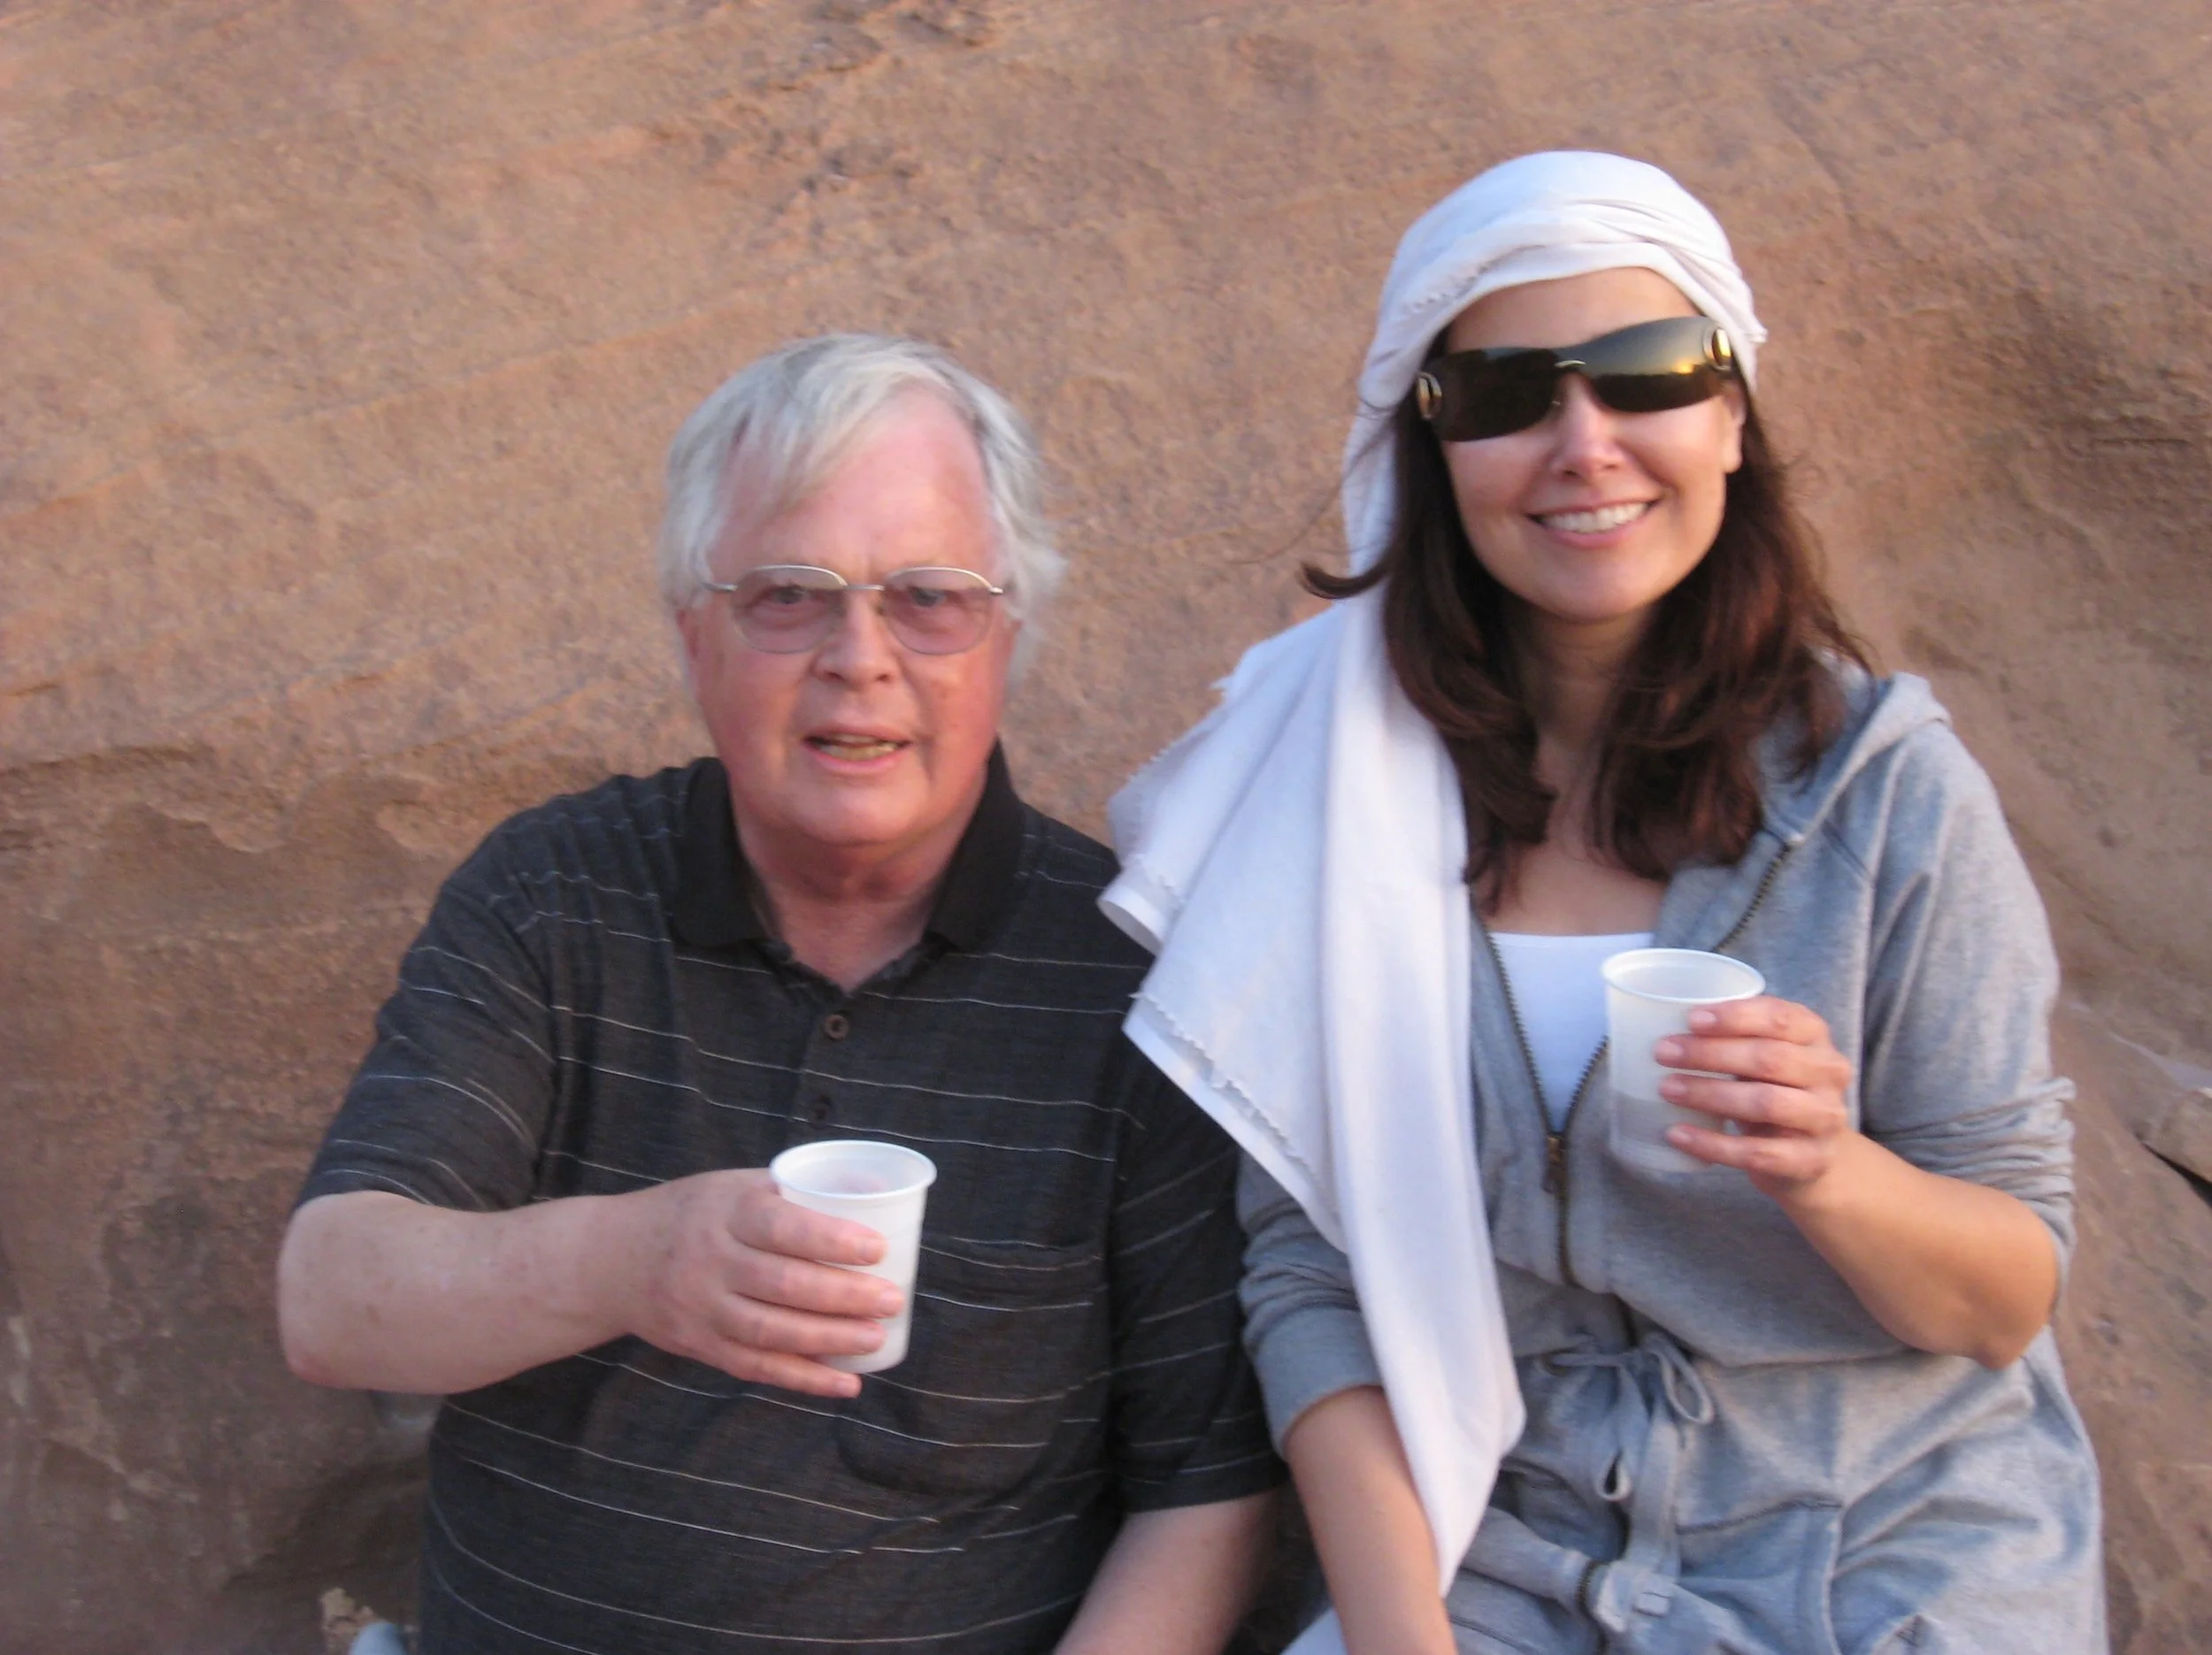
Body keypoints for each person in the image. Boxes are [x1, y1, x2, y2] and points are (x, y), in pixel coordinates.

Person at [1101, 153, 2105, 1654]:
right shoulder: (1338, 788)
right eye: (1506, 393)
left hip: (1886, 1546)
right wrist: (1403, 1637)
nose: (1585, 443)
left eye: (1647, 374)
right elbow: (1311, 1278)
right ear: (1433, 443)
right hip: (1508, 1551)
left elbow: (2001, 1298)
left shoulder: (1886, 794)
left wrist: (1824, 1166)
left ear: (1732, 414)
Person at [278, 333, 1280, 1655]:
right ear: (694, 634)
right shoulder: (553, 896)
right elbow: (333, 1296)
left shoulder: (1129, 977)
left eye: (929, 596)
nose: (860, 655)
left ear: (1007, 635)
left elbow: (1204, 1491)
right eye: (790, 595)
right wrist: (634, 1260)